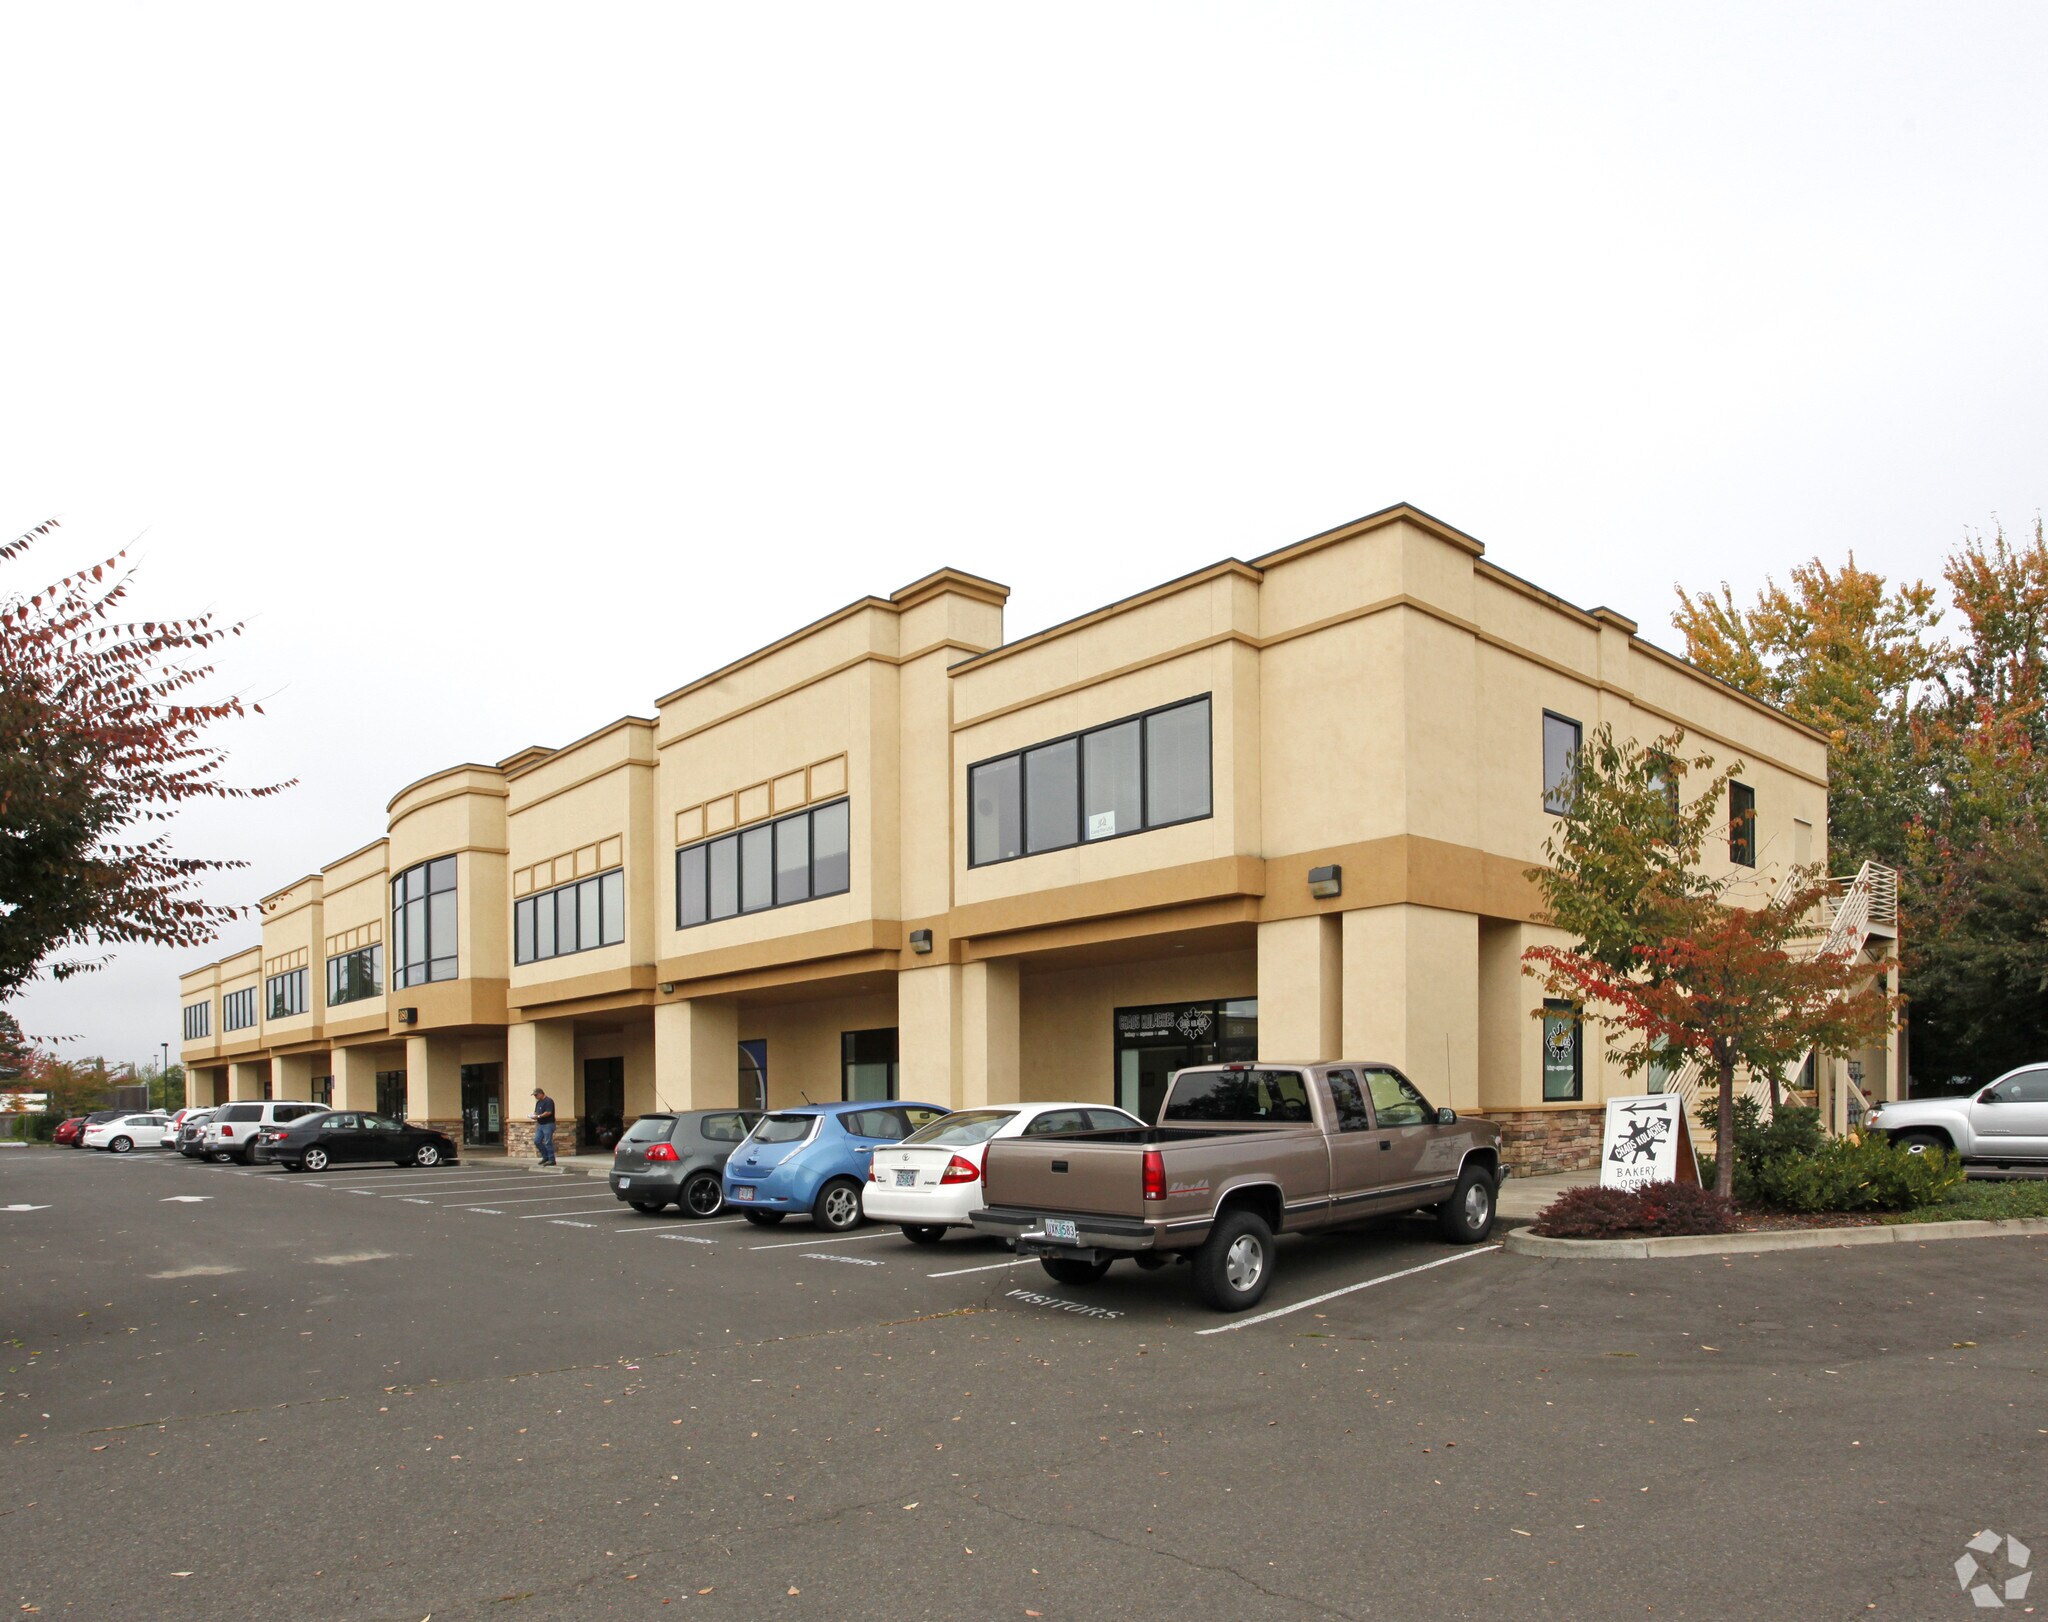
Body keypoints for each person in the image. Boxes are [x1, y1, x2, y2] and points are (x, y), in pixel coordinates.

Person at [532, 1086, 557, 1166]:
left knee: (547, 1142)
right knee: (537, 1141)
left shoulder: (548, 1101)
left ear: (541, 1094)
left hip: (548, 1124)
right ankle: (545, 1156)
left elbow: (548, 1112)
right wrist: (534, 1116)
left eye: (536, 1095)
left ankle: (551, 1159)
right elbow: (536, 1112)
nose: (535, 1097)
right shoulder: (538, 1102)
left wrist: (539, 1116)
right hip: (540, 1124)